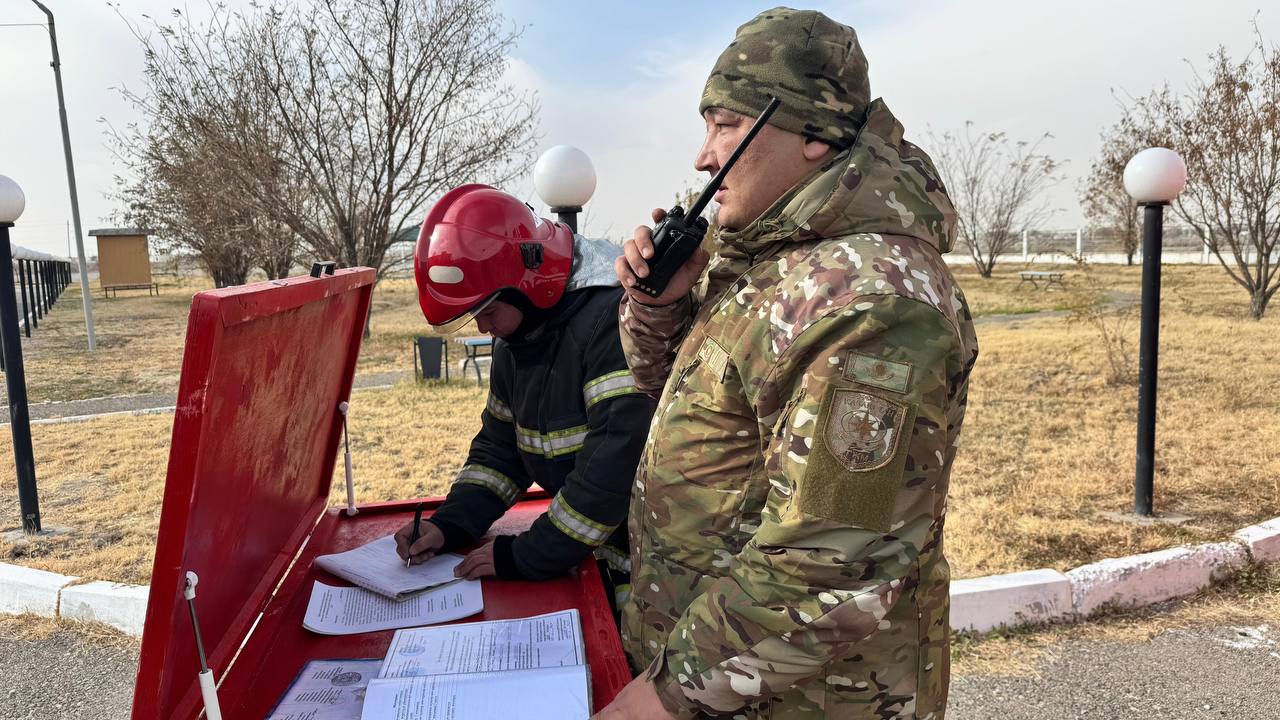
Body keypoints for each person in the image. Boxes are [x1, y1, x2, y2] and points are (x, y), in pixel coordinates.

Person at [596, 8, 979, 719]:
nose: (703, 157)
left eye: (725, 126)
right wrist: (660, 306)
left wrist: (664, 697)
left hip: (805, 698)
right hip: (721, 674)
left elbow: (835, 559)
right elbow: (680, 399)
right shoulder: (771, 265)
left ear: (811, 133)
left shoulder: (871, 301)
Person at [394, 184, 654, 614]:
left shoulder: (609, 320)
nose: (483, 329)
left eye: (488, 312)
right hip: (583, 551)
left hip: (643, 563)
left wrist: (524, 555)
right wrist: (449, 525)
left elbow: (612, 468)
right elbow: (499, 452)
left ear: (527, 284)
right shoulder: (518, 334)